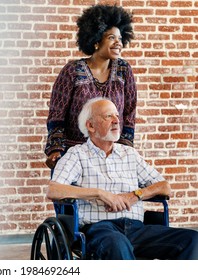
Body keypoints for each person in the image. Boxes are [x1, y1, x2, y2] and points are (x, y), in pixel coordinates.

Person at [47, 97, 198, 260]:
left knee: (192, 240)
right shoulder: (77, 154)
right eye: (108, 116)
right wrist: (100, 193)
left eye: (117, 116)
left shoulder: (129, 154)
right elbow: (54, 190)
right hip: (100, 231)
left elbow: (164, 187)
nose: (116, 121)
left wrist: (136, 195)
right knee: (117, 243)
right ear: (90, 126)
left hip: (137, 230)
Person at [45, 4, 137, 169]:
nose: (118, 43)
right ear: (96, 40)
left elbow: (129, 113)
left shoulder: (124, 71)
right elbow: (57, 114)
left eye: (120, 38)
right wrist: (55, 149)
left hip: (110, 155)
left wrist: (125, 148)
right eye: (111, 38)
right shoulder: (72, 71)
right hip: (73, 155)